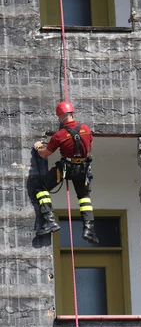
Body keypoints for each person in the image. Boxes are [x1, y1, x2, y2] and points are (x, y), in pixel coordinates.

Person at [33, 101, 99, 244]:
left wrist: (38, 147)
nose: (58, 119)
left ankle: (50, 220)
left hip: (66, 169)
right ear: (72, 113)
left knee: (41, 187)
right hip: (83, 169)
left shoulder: (59, 135)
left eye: (58, 116)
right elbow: (89, 149)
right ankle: (89, 229)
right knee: (84, 197)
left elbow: (44, 154)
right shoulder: (86, 129)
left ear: (62, 116)